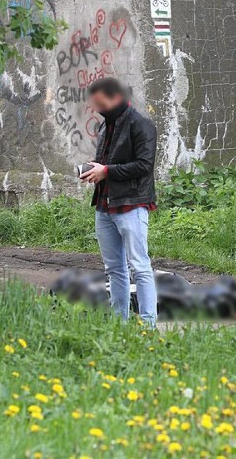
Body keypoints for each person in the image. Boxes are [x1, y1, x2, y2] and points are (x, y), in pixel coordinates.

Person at [80, 77, 158, 327]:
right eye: (96, 105)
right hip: (105, 206)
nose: (98, 109)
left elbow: (144, 166)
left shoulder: (142, 125)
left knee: (140, 266)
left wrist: (107, 171)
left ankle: (148, 325)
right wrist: (94, 170)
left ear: (116, 98)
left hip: (132, 205)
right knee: (113, 269)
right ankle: (119, 324)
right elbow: (107, 161)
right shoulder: (106, 127)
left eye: (101, 104)